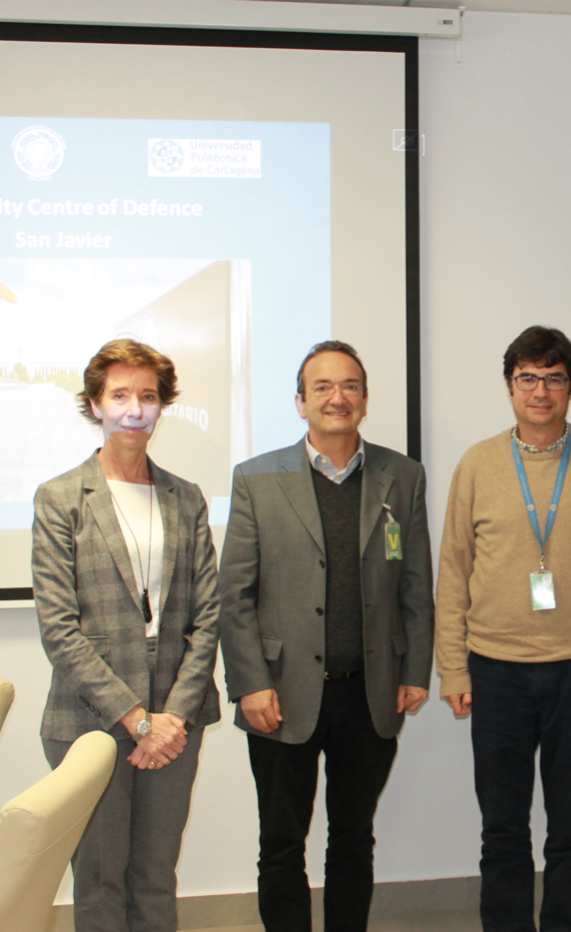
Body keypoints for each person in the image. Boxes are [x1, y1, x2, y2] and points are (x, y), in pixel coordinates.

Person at [435, 325, 571, 932]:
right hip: (494, 668)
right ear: (509, 387)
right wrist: (453, 668)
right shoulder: (477, 464)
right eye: (527, 377)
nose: (540, 390)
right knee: (503, 824)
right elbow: (453, 572)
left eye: (554, 378)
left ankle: (562, 924)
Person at [218, 339, 434, 932]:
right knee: (281, 841)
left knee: (353, 837)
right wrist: (249, 684)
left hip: (370, 690)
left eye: (350, 386)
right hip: (279, 691)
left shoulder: (402, 476)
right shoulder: (256, 479)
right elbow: (234, 595)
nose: (338, 397)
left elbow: (416, 583)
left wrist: (415, 670)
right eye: (323, 387)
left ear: (364, 398)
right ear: (300, 402)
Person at [32, 338, 220, 932]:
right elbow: (59, 630)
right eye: (119, 396)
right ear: (95, 404)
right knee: (99, 880)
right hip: (89, 718)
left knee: (155, 876)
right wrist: (138, 721)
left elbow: (207, 617)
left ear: (162, 405)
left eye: (148, 396)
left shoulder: (186, 497)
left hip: (175, 716)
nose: (135, 410)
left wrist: (171, 718)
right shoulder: (60, 498)